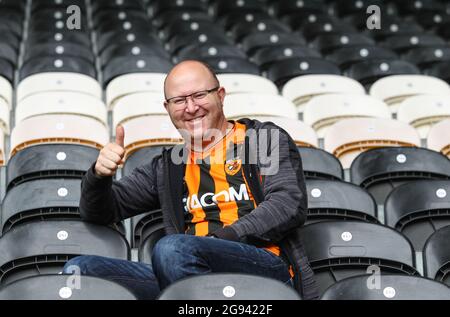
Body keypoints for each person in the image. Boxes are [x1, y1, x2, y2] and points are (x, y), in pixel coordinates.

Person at [63, 60, 318, 300]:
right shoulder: (169, 165)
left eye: (199, 95)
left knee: (172, 249)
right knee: (81, 270)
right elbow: (102, 211)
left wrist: (217, 241)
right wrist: (99, 175)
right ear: (167, 108)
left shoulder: (261, 139)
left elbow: (287, 205)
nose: (191, 107)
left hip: (262, 268)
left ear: (220, 95)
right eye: (179, 100)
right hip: (184, 268)